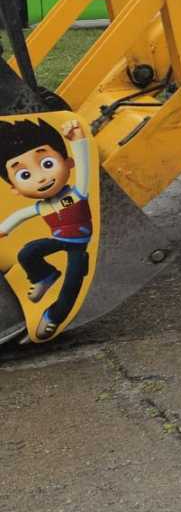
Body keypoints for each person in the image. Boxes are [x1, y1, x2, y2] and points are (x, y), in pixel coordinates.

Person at [0, 117, 94, 343]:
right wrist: (3, 229)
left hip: (79, 245)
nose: (41, 178)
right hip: (59, 239)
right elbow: (18, 217)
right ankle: (45, 275)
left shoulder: (75, 195)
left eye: (47, 164)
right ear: (14, 188)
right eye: (24, 175)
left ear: (67, 163)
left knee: (72, 283)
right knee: (28, 252)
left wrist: (78, 140)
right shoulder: (42, 206)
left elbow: (84, 168)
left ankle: (53, 316)